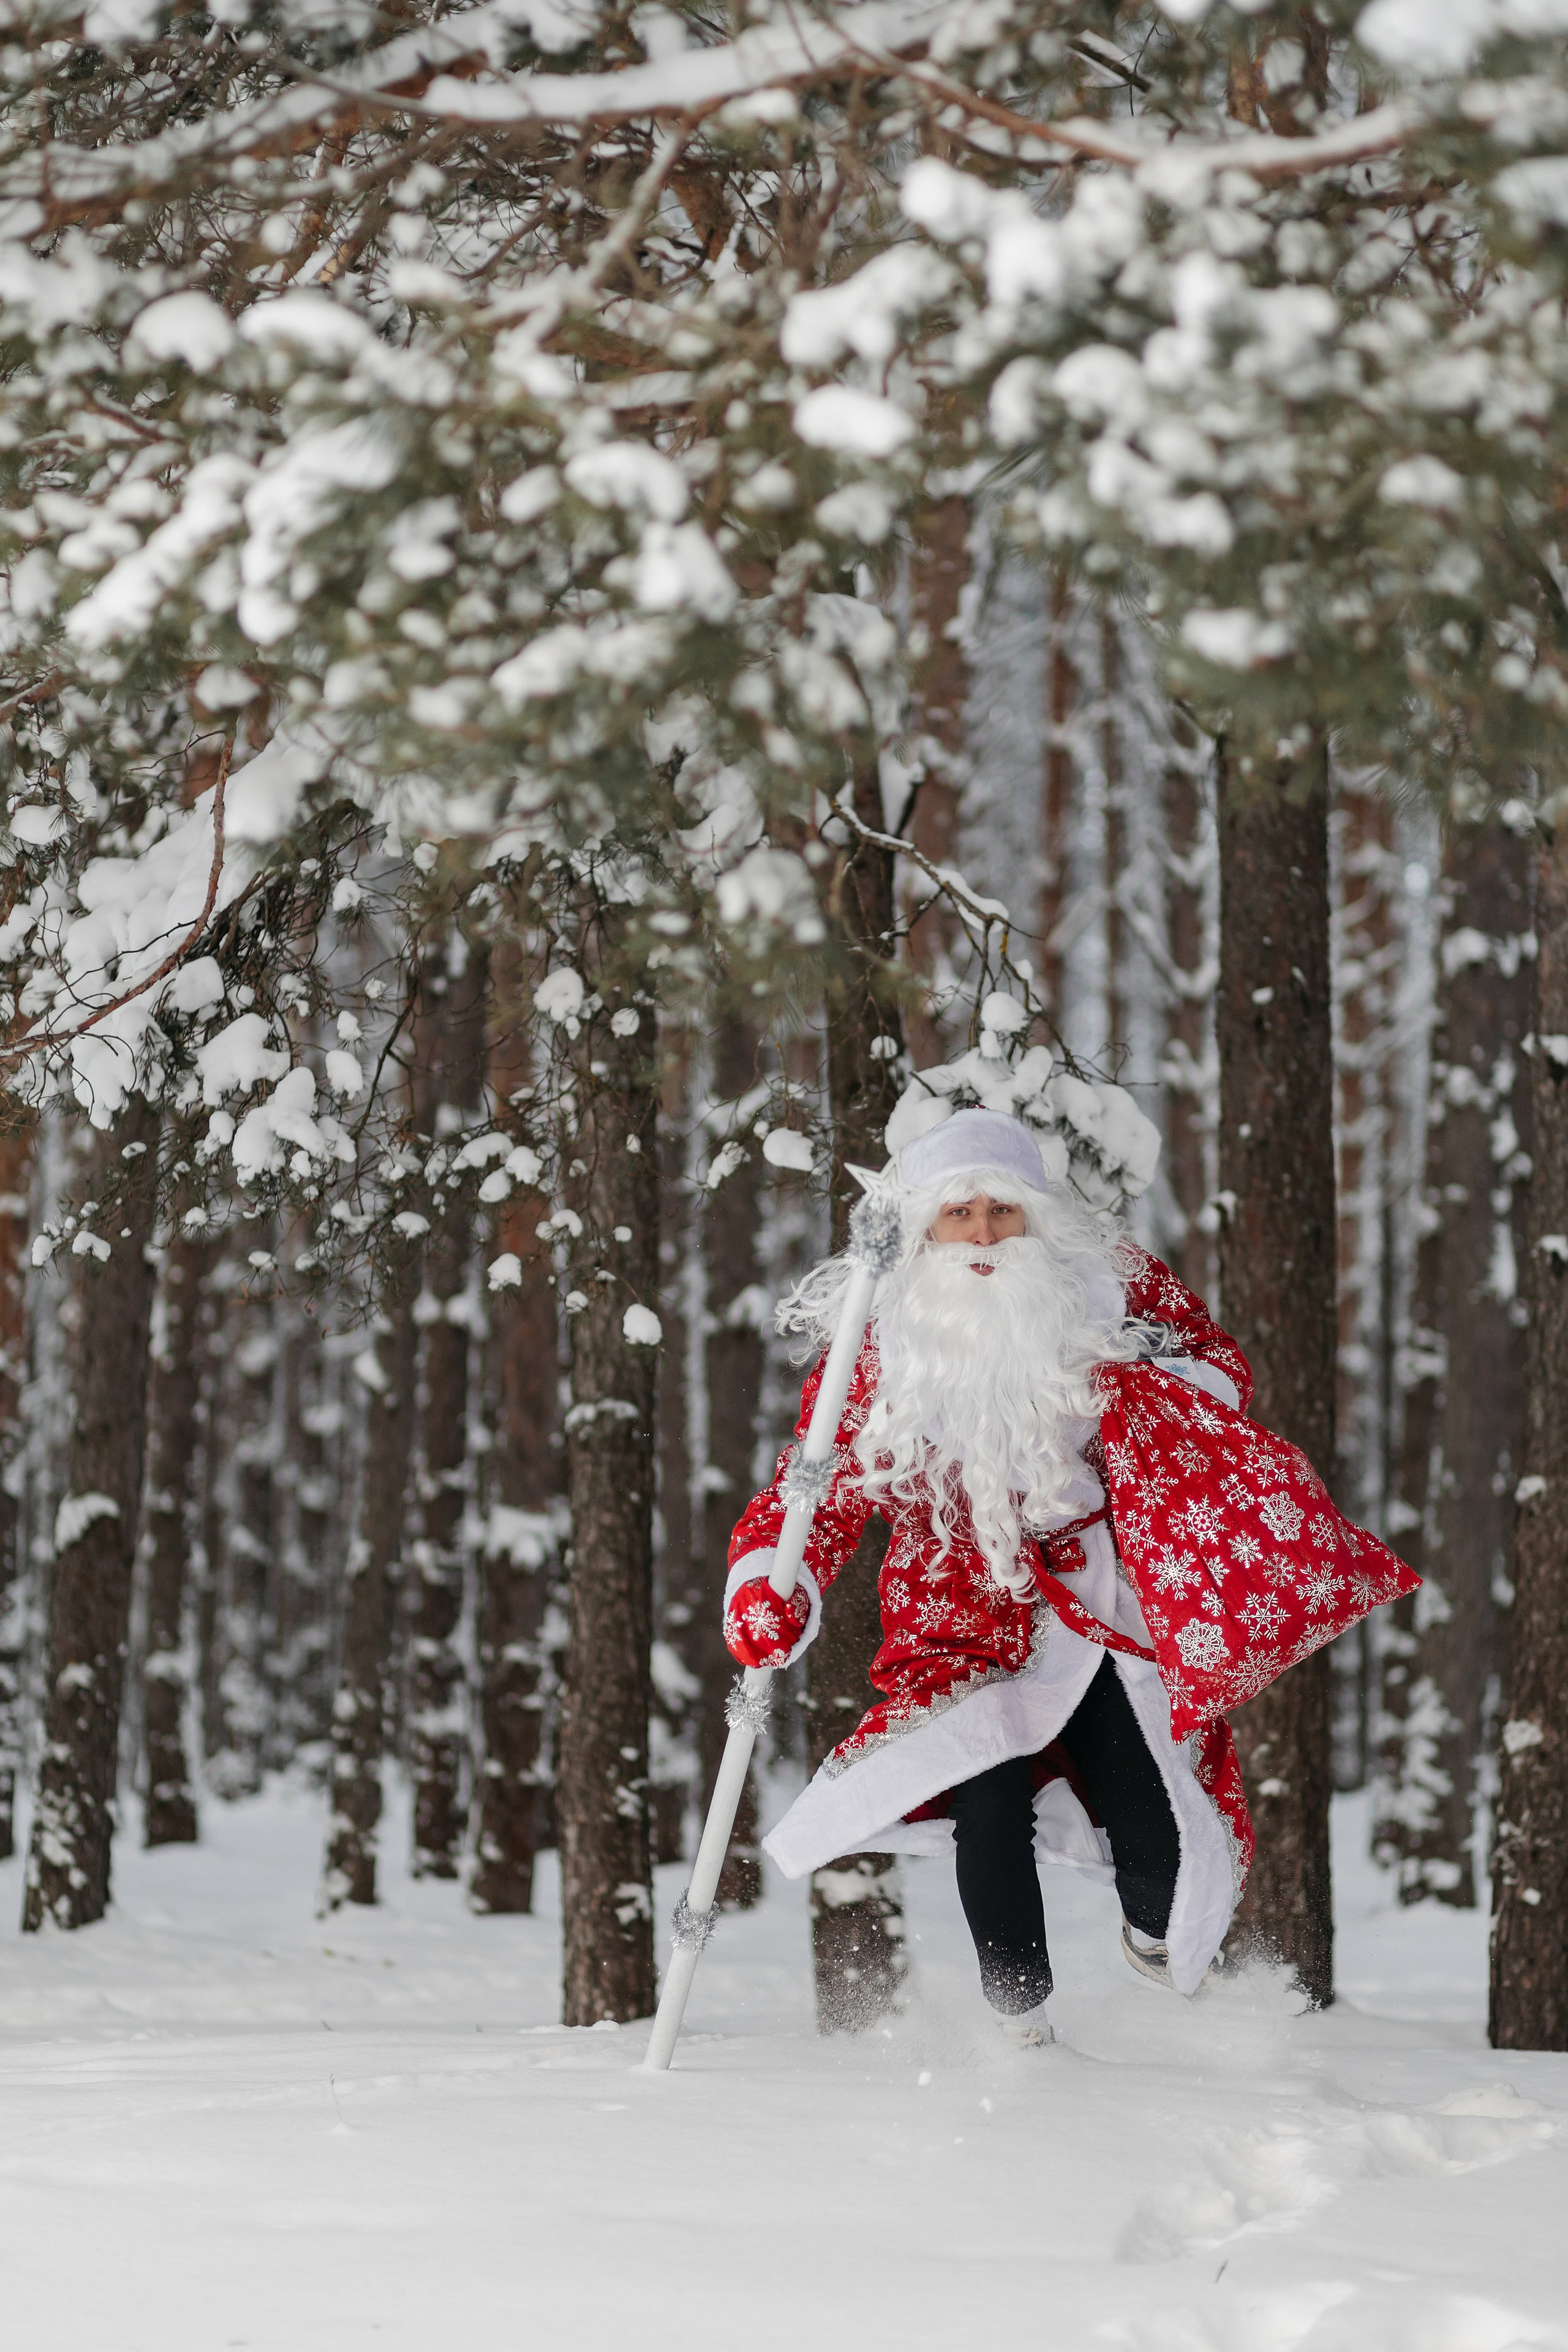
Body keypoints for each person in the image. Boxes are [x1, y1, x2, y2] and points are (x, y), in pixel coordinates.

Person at [722, 1107, 1416, 2044]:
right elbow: (814, 1491)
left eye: (1001, 1213)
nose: (980, 1235)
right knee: (988, 1798)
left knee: (1159, 1831)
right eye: (957, 1213)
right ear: (924, 1224)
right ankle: (1022, 2030)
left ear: (1034, 1218)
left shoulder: (1109, 1287)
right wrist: (775, 1583)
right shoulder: (880, 1339)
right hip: (953, 1619)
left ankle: (1152, 1934)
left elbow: (1219, 1370)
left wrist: (1135, 1386)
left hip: (1093, 1613)